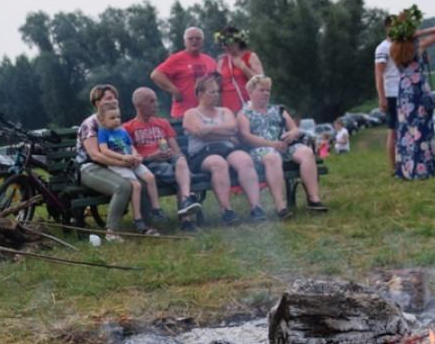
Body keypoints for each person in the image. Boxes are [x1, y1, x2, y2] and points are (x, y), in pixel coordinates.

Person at [237, 74, 327, 218]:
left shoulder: (278, 110)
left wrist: (292, 134)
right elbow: (246, 137)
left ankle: (313, 199)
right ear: (251, 92)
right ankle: (280, 206)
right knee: (272, 157)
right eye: (261, 90)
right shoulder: (244, 114)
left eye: (268, 90)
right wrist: (271, 144)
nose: (266, 93)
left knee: (306, 152)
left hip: (283, 146)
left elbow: (295, 129)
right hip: (260, 149)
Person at [183, 75, 265, 224]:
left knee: (245, 160)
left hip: (226, 148)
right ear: (201, 94)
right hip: (202, 153)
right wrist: (225, 133)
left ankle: (256, 207)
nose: (217, 95)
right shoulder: (191, 114)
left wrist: (210, 128)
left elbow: (233, 128)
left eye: (217, 91)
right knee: (219, 163)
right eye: (212, 92)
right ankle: (226, 210)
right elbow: (202, 136)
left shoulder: (224, 111)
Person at [123, 87, 203, 231]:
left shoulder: (163, 123)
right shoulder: (128, 128)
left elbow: (176, 150)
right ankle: (186, 220)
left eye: (156, 101)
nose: (156, 105)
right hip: (147, 165)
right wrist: (150, 157)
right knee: (179, 174)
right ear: (139, 105)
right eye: (151, 101)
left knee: (180, 159)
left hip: (168, 161)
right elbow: (129, 156)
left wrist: (171, 154)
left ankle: (185, 199)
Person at [76, 84, 139, 240]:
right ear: (98, 103)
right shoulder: (90, 124)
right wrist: (124, 163)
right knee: (123, 186)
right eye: (109, 98)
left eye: (115, 97)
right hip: (89, 168)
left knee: (141, 181)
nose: (114, 101)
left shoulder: (115, 121)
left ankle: (143, 223)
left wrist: (134, 158)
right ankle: (111, 233)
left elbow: (125, 146)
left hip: (111, 165)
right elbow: (95, 156)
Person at [389, 7, 435, 180]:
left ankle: (407, 167)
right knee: (422, 125)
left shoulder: (395, 48)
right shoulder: (417, 45)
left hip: (404, 89)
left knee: (406, 128)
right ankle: (422, 166)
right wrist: (420, 33)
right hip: (418, 87)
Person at [96, 104, 164, 238]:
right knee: (136, 186)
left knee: (150, 177)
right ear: (102, 120)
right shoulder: (103, 133)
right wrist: (122, 157)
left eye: (118, 117)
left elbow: (132, 147)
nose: (116, 120)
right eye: (112, 118)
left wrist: (136, 155)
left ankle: (156, 209)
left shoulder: (122, 131)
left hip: (132, 160)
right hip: (118, 164)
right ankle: (138, 218)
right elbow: (104, 150)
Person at [151, 27, 217, 118]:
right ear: (185, 42)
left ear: (203, 41)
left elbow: (216, 83)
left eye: (198, 38)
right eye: (190, 39)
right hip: (183, 113)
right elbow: (156, 75)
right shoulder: (177, 59)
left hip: (206, 113)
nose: (194, 41)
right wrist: (174, 90)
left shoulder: (210, 61)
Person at [214, 26, 264, 113]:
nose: (226, 47)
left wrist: (244, 67)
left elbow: (262, 81)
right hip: (227, 107)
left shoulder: (250, 56)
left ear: (238, 42)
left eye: (229, 43)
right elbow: (218, 88)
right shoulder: (222, 60)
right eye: (223, 44)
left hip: (247, 104)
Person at [375, 15, 401, 175]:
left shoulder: (402, 46)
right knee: (393, 130)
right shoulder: (383, 48)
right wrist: (382, 97)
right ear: (388, 27)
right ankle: (394, 167)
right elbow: (379, 74)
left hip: (404, 91)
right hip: (391, 92)